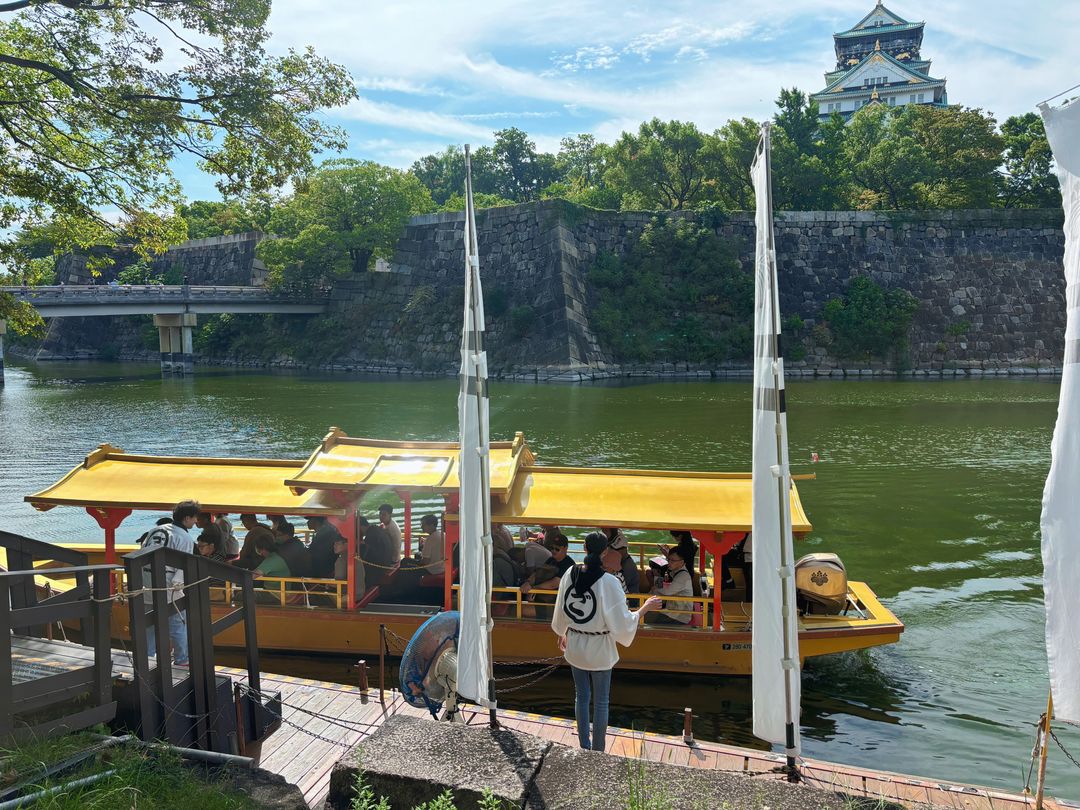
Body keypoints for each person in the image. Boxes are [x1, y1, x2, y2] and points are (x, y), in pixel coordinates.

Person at [552, 532, 661, 752]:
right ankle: (598, 750)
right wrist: (644, 609)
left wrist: (562, 632)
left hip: (576, 643)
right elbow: (622, 622)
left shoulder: (569, 573)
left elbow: (562, 607)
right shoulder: (609, 582)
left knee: (581, 696)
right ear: (605, 553)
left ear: (584, 548)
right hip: (600, 648)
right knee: (601, 702)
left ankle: (584, 745)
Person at [142, 499, 199, 667]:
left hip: (146, 583)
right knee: (178, 625)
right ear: (187, 518)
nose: (196, 521)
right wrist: (179, 587)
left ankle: (147, 659)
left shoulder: (154, 530)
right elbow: (182, 567)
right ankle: (182, 659)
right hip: (168, 586)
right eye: (194, 518)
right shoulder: (184, 537)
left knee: (149, 625)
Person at [646, 546, 695, 625]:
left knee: (646, 621)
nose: (669, 563)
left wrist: (655, 588)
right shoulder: (677, 572)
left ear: (682, 562)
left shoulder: (683, 576)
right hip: (673, 610)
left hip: (679, 616)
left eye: (673, 561)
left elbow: (667, 592)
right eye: (668, 559)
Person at [360, 516, 397, 586]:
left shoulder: (371, 534)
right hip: (386, 562)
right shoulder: (376, 529)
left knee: (358, 569)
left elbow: (364, 555)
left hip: (380, 568)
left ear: (361, 526)